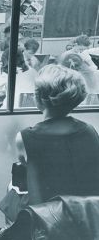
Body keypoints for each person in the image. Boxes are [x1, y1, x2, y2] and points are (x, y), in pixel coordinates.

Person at [16, 65, 99, 205]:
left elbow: (29, 176)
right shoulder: (90, 130)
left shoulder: (24, 137)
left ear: (38, 98)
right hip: (89, 212)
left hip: (47, 216)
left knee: (11, 194)